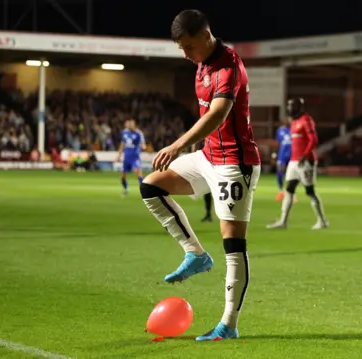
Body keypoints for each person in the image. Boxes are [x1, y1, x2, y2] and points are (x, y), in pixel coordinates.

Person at [139, 9, 260, 342]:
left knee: (233, 244)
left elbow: (220, 114)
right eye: (181, 48)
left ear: (206, 37)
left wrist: (178, 145)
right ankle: (194, 253)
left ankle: (229, 325)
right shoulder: (202, 67)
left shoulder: (228, 65)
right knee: (151, 187)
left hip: (235, 162)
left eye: (189, 47)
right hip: (208, 157)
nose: (186, 54)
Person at [267, 98, 328, 230]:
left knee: (309, 191)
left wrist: (305, 155)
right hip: (294, 162)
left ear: (299, 107)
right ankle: (283, 222)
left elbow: (314, 140)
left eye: (291, 105)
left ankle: (322, 221)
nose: (289, 108)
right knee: (289, 189)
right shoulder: (294, 122)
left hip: (306, 162)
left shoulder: (306, 120)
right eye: (288, 105)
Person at [117, 119, 145, 196]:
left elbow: (143, 143)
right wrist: (119, 155)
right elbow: (122, 144)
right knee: (123, 176)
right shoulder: (124, 132)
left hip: (135, 157)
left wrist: (143, 146)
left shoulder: (138, 133)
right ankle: (126, 189)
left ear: (134, 125)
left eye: (131, 124)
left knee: (137, 172)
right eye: (128, 124)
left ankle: (145, 191)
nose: (129, 125)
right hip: (126, 157)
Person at [275, 120, 292, 201]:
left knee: (292, 175)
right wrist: (275, 152)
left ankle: (292, 193)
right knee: (279, 172)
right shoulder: (280, 130)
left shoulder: (295, 129)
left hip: (292, 155)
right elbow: (278, 143)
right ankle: (281, 191)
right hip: (282, 155)